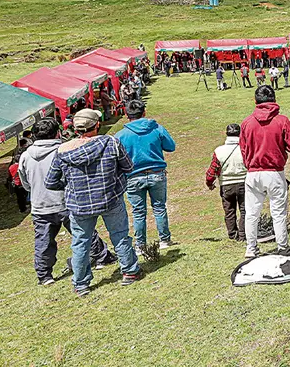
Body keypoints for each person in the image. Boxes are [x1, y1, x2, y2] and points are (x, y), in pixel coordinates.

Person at [44, 109, 141, 296]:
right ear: (97, 125)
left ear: (75, 128)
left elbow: (51, 182)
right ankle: (129, 271)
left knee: (81, 242)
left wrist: (70, 185)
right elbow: (128, 167)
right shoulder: (111, 142)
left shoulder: (63, 150)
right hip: (110, 198)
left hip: (80, 204)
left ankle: (81, 284)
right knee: (120, 235)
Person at [19, 119, 114, 285]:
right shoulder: (64, 149)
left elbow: (24, 181)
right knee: (84, 233)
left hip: (40, 204)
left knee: (43, 241)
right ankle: (102, 256)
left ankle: (44, 275)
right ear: (57, 133)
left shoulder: (25, 155)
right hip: (67, 201)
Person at [239, 85, 290, 257]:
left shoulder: (247, 123)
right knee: (278, 213)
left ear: (255, 101)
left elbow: (243, 149)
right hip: (274, 171)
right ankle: (282, 246)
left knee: (251, 213)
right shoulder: (282, 121)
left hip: (253, 172)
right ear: (274, 100)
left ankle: (251, 248)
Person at [115, 100, 177, 255]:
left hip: (133, 176)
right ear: (144, 112)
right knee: (159, 207)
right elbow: (171, 146)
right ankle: (164, 239)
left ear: (126, 114)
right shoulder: (156, 128)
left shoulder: (120, 135)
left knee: (138, 212)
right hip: (156, 173)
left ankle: (140, 244)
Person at [205, 123, 248, 241]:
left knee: (229, 211)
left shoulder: (219, 151)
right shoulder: (245, 149)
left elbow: (212, 170)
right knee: (245, 210)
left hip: (226, 185)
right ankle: (243, 235)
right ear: (240, 134)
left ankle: (232, 235)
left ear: (226, 134)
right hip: (243, 183)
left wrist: (210, 183)